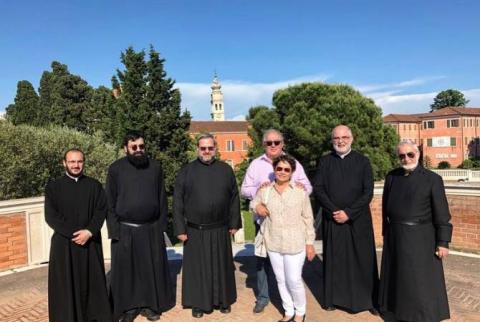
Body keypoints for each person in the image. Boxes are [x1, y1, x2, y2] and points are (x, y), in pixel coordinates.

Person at [379, 141, 453, 322]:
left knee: (420, 282)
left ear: (418, 154)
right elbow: (385, 207)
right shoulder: (391, 177)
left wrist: (443, 242)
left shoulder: (432, 179)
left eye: (410, 154)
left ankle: (423, 316)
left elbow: (442, 213)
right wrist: (386, 233)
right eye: (402, 156)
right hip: (396, 235)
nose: (406, 159)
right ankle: (398, 312)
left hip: (422, 238)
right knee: (398, 278)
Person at [241, 129, 312, 314]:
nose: (273, 145)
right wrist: (258, 188)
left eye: (276, 142)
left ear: (282, 143)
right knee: (262, 263)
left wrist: (301, 188)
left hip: (291, 227)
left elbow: (308, 189)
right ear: (264, 144)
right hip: (264, 225)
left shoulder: (293, 163)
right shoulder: (256, 165)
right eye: (269, 143)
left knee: (291, 275)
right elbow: (244, 190)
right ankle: (264, 298)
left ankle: (298, 310)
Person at [106, 131, 174, 322]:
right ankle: (128, 308)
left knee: (149, 270)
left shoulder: (155, 167)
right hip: (124, 229)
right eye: (134, 147)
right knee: (127, 272)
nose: (138, 150)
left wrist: (161, 227)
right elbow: (109, 202)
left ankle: (150, 306)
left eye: (141, 146)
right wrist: (114, 230)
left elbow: (162, 198)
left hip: (150, 229)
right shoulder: (115, 169)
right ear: (125, 148)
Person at [173, 133, 241, 318]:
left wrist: (234, 222)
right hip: (195, 230)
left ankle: (223, 301)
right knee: (198, 271)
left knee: (221, 267)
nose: (206, 151)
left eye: (210, 147)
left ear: (215, 148)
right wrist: (180, 229)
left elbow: (234, 197)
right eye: (203, 148)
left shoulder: (226, 170)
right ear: (198, 149)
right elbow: (177, 201)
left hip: (220, 228)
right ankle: (198, 303)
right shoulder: (186, 171)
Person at [313, 125, 379, 314]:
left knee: (363, 260)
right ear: (332, 140)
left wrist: (349, 212)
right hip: (333, 219)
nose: (340, 141)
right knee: (336, 260)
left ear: (352, 138)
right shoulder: (325, 161)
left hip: (358, 220)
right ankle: (333, 299)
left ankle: (369, 300)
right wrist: (335, 211)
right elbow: (319, 189)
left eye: (344, 137)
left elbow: (368, 192)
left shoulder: (363, 161)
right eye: (336, 138)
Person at [45, 148, 112, 322]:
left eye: (79, 161)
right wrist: (75, 234)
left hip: (90, 243)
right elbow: (51, 216)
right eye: (72, 161)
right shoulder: (53, 187)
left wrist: (89, 231)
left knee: (93, 284)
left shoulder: (94, 186)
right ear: (64, 163)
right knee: (65, 286)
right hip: (64, 245)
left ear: (84, 162)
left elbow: (101, 211)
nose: (76, 165)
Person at [251, 154, 316, 322]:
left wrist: (310, 244)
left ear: (292, 172)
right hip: (273, 242)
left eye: (287, 169)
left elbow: (308, 219)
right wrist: (257, 205)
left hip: (296, 243)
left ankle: (300, 312)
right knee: (280, 279)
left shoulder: (300, 192)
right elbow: (252, 204)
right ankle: (288, 311)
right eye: (279, 168)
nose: (282, 172)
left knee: (293, 280)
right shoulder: (265, 190)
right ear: (274, 170)